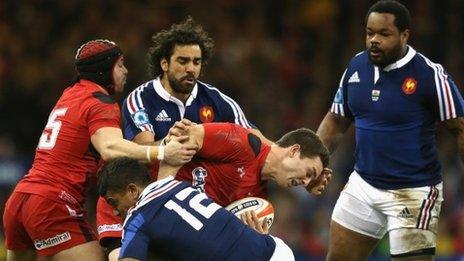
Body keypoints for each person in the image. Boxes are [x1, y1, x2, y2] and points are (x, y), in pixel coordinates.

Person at [2, 39, 197, 261]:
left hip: (20, 199)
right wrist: (163, 152)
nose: (125, 71)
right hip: (53, 202)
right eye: (120, 64)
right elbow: (109, 147)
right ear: (104, 70)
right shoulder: (100, 103)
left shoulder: (70, 94)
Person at [97, 16, 268, 256]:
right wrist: (171, 143)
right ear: (164, 64)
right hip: (148, 207)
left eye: (196, 62)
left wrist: (293, 159)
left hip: (194, 209)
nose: (191, 68)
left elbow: (257, 141)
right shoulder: (141, 98)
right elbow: (143, 151)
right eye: (183, 61)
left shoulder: (216, 100)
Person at [316, 1, 464, 260]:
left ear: (404, 35)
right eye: (370, 32)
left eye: (384, 34)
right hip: (363, 185)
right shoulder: (356, 67)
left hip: (413, 191)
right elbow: (336, 121)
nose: (374, 40)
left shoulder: (430, 76)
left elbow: (460, 127)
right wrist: (314, 163)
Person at [98, 122, 332, 259]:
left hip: (166, 226)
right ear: (293, 151)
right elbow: (185, 137)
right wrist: (158, 195)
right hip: (135, 198)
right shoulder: (239, 141)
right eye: (309, 172)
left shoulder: (259, 198)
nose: (305, 181)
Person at [98, 157, 296, 261]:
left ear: (132, 190)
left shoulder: (137, 218)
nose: (115, 212)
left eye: (114, 202)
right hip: (276, 249)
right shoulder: (180, 185)